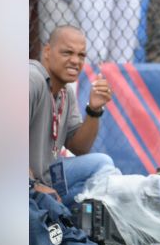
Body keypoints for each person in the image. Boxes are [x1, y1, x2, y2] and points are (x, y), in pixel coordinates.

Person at [30, 25, 116, 209]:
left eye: (81, 55)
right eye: (67, 53)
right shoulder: (31, 79)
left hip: (48, 175)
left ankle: (82, 223)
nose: (75, 61)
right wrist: (34, 185)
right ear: (47, 51)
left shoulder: (65, 92)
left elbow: (79, 148)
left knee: (102, 165)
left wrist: (94, 110)